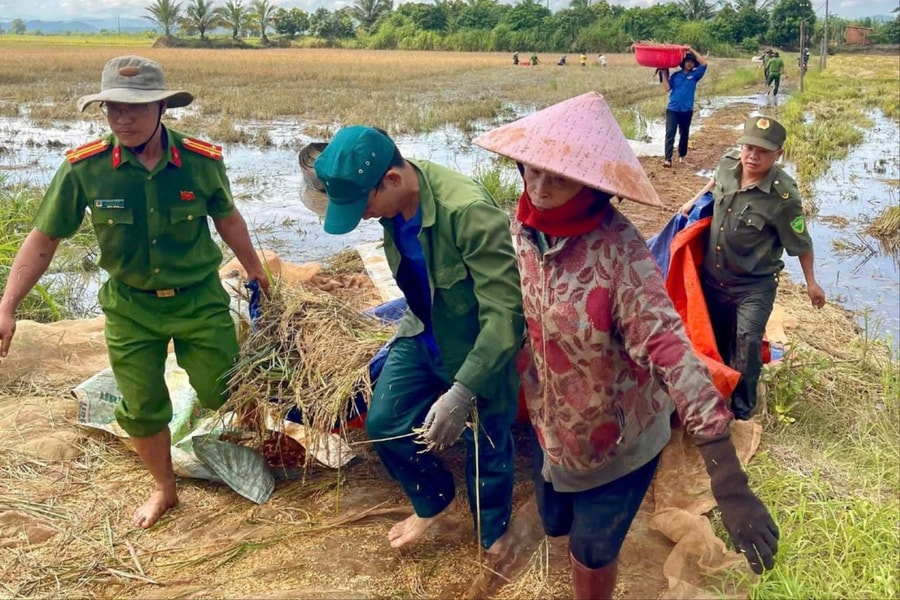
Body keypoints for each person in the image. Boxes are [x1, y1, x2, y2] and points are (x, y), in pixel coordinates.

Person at [474, 92, 779, 599]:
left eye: (561, 178)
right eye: (532, 171)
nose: (541, 188)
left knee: (593, 548)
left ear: (593, 184)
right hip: (555, 424)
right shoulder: (521, 230)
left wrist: (727, 477)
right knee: (555, 522)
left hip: (619, 434)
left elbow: (673, 352)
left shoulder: (621, 254)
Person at [0, 56, 269, 528]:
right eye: (112, 109)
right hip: (130, 308)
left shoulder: (202, 162)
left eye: (135, 108)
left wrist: (254, 268)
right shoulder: (85, 169)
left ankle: (250, 438)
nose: (122, 119)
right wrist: (7, 307)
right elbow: (44, 240)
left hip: (199, 300)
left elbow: (227, 218)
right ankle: (165, 488)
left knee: (222, 387)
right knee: (141, 409)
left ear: (162, 107)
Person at [312, 126, 524, 558]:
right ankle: (434, 500)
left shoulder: (467, 212)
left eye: (364, 205)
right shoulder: (394, 206)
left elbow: (506, 316)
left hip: (476, 343)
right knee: (384, 422)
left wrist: (463, 390)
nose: (366, 217)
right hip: (421, 328)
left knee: (485, 442)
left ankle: (492, 532)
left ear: (391, 180)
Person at [679, 116, 825, 420]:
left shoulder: (783, 197)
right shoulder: (727, 164)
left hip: (753, 286)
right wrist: (693, 201)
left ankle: (743, 411)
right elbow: (714, 181)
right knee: (714, 340)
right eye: (748, 147)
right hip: (714, 277)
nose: (752, 156)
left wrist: (812, 283)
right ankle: (717, 394)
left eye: (762, 151)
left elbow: (801, 242)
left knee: (747, 345)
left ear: (778, 154)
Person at [661, 46, 708, 167]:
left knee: (684, 134)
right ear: (683, 63)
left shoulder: (695, 75)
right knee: (670, 133)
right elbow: (667, 88)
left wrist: (691, 50)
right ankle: (668, 159)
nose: (689, 64)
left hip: (686, 110)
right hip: (673, 109)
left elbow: (704, 63)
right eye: (687, 61)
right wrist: (663, 73)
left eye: (692, 62)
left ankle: (682, 155)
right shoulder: (676, 76)